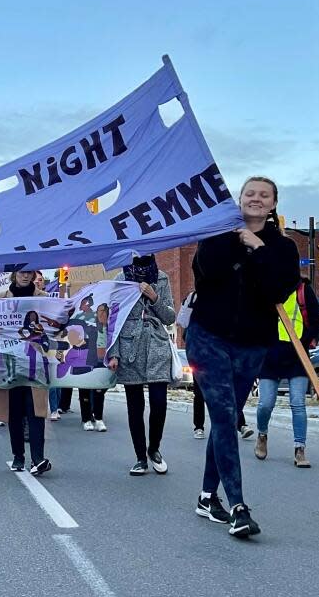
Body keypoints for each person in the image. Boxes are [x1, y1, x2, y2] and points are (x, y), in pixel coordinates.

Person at [186, 177, 300, 539]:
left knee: (226, 418)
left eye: (263, 195)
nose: (255, 198)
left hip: (253, 344)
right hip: (208, 338)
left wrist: (259, 248)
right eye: (249, 193)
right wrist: (238, 241)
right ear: (239, 200)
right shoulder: (217, 233)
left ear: (273, 205)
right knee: (222, 416)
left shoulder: (284, 247)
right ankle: (237, 506)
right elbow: (207, 272)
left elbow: (279, 289)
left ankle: (207, 496)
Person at [107, 254, 176, 476]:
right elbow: (114, 320)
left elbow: (170, 318)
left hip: (156, 344)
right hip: (130, 347)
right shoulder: (120, 279)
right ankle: (139, 458)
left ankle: (154, 448)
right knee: (135, 406)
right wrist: (114, 353)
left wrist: (154, 297)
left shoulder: (162, 278)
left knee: (159, 401)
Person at [254, 274, 319, 468]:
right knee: (266, 403)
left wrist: (305, 340)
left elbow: (316, 320)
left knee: (298, 403)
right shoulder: (266, 289)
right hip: (271, 356)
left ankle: (300, 448)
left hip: (297, 355)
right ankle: (262, 434)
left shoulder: (302, 290)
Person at [0, 271, 52, 476]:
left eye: (29, 273)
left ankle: (38, 458)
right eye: (22, 273)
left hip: (35, 363)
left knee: (36, 411)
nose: (25, 276)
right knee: (14, 412)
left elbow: (54, 327)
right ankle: (18, 455)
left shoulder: (44, 298)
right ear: (15, 274)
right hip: (10, 364)